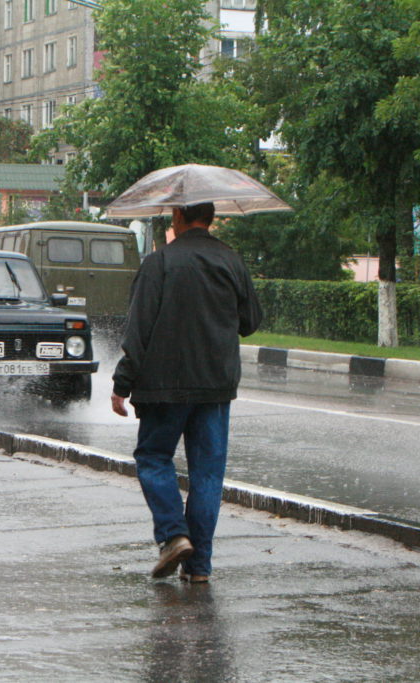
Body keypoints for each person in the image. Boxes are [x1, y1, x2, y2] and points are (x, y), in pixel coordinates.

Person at [111, 202, 262, 583]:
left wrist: (122, 384)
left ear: (178, 217)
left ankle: (174, 535)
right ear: (210, 219)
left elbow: (138, 330)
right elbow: (251, 322)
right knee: (207, 475)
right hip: (216, 385)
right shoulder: (232, 261)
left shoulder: (159, 262)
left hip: (163, 386)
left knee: (152, 457)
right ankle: (199, 567)